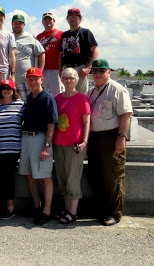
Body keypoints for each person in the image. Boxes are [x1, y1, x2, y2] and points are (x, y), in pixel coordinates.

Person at [86, 59, 132, 226]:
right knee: (96, 175)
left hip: (111, 136)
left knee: (112, 176)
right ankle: (101, 209)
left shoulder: (117, 90)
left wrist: (121, 137)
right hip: (94, 137)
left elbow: (126, 115)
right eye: (95, 71)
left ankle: (114, 213)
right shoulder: (91, 91)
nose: (97, 74)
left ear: (109, 72)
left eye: (101, 71)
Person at [19, 67, 58, 225]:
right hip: (26, 138)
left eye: (36, 78)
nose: (33, 81)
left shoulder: (47, 98)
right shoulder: (29, 98)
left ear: (42, 80)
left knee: (45, 176)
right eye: (30, 79)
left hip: (40, 138)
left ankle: (47, 210)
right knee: (29, 174)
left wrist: (46, 146)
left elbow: (51, 125)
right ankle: (36, 205)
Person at [53, 68, 90, 224]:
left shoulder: (82, 98)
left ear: (76, 80)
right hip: (58, 143)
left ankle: (73, 212)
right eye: (65, 78)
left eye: (71, 78)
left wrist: (85, 141)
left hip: (74, 144)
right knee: (62, 178)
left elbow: (87, 121)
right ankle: (67, 209)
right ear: (61, 79)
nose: (68, 81)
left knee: (73, 178)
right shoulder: (57, 98)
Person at [0, 79, 24, 219]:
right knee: (0, 178)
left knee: (8, 178)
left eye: (9, 88)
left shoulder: (21, 105)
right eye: (4, 88)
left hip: (13, 148)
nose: (6, 91)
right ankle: (0, 205)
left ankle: (10, 206)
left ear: (14, 91)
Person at [58, 8, 98, 94]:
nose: (73, 19)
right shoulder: (64, 35)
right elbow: (61, 54)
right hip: (67, 68)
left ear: (80, 19)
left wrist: (88, 68)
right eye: (70, 17)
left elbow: (95, 51)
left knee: (80, 95)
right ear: (67, 19)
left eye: (75, 17)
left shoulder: (85, 32)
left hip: (80, 68)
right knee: (68, 94)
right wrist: (60, 70)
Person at [11, 13, 45, 100]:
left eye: (20, 23)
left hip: (28, 80)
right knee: (15, 106)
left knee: (29, 104)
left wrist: (39, 72)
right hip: (12, 79)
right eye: (15, 23)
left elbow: (41, 53)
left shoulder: (30, 37)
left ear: (24, 25)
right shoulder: (8, 37)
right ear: (12, 24)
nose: (17, 25)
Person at [36, 12, 64, 97]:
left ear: (54, 21)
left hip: (56, 70)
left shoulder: (61, 34)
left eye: (50, 19)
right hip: (43, 70)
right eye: (45, 19)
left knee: (57, 94)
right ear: (42, 22)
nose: (47, 21)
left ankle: (57, 110)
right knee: (42, 93)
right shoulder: (39, 36)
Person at [0, 7, 16, 85]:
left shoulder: (9, 34)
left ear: (4, 18)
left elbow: (12, 55)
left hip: (4, 70)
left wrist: (12, 73)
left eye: (1, 15)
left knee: (3, 95)